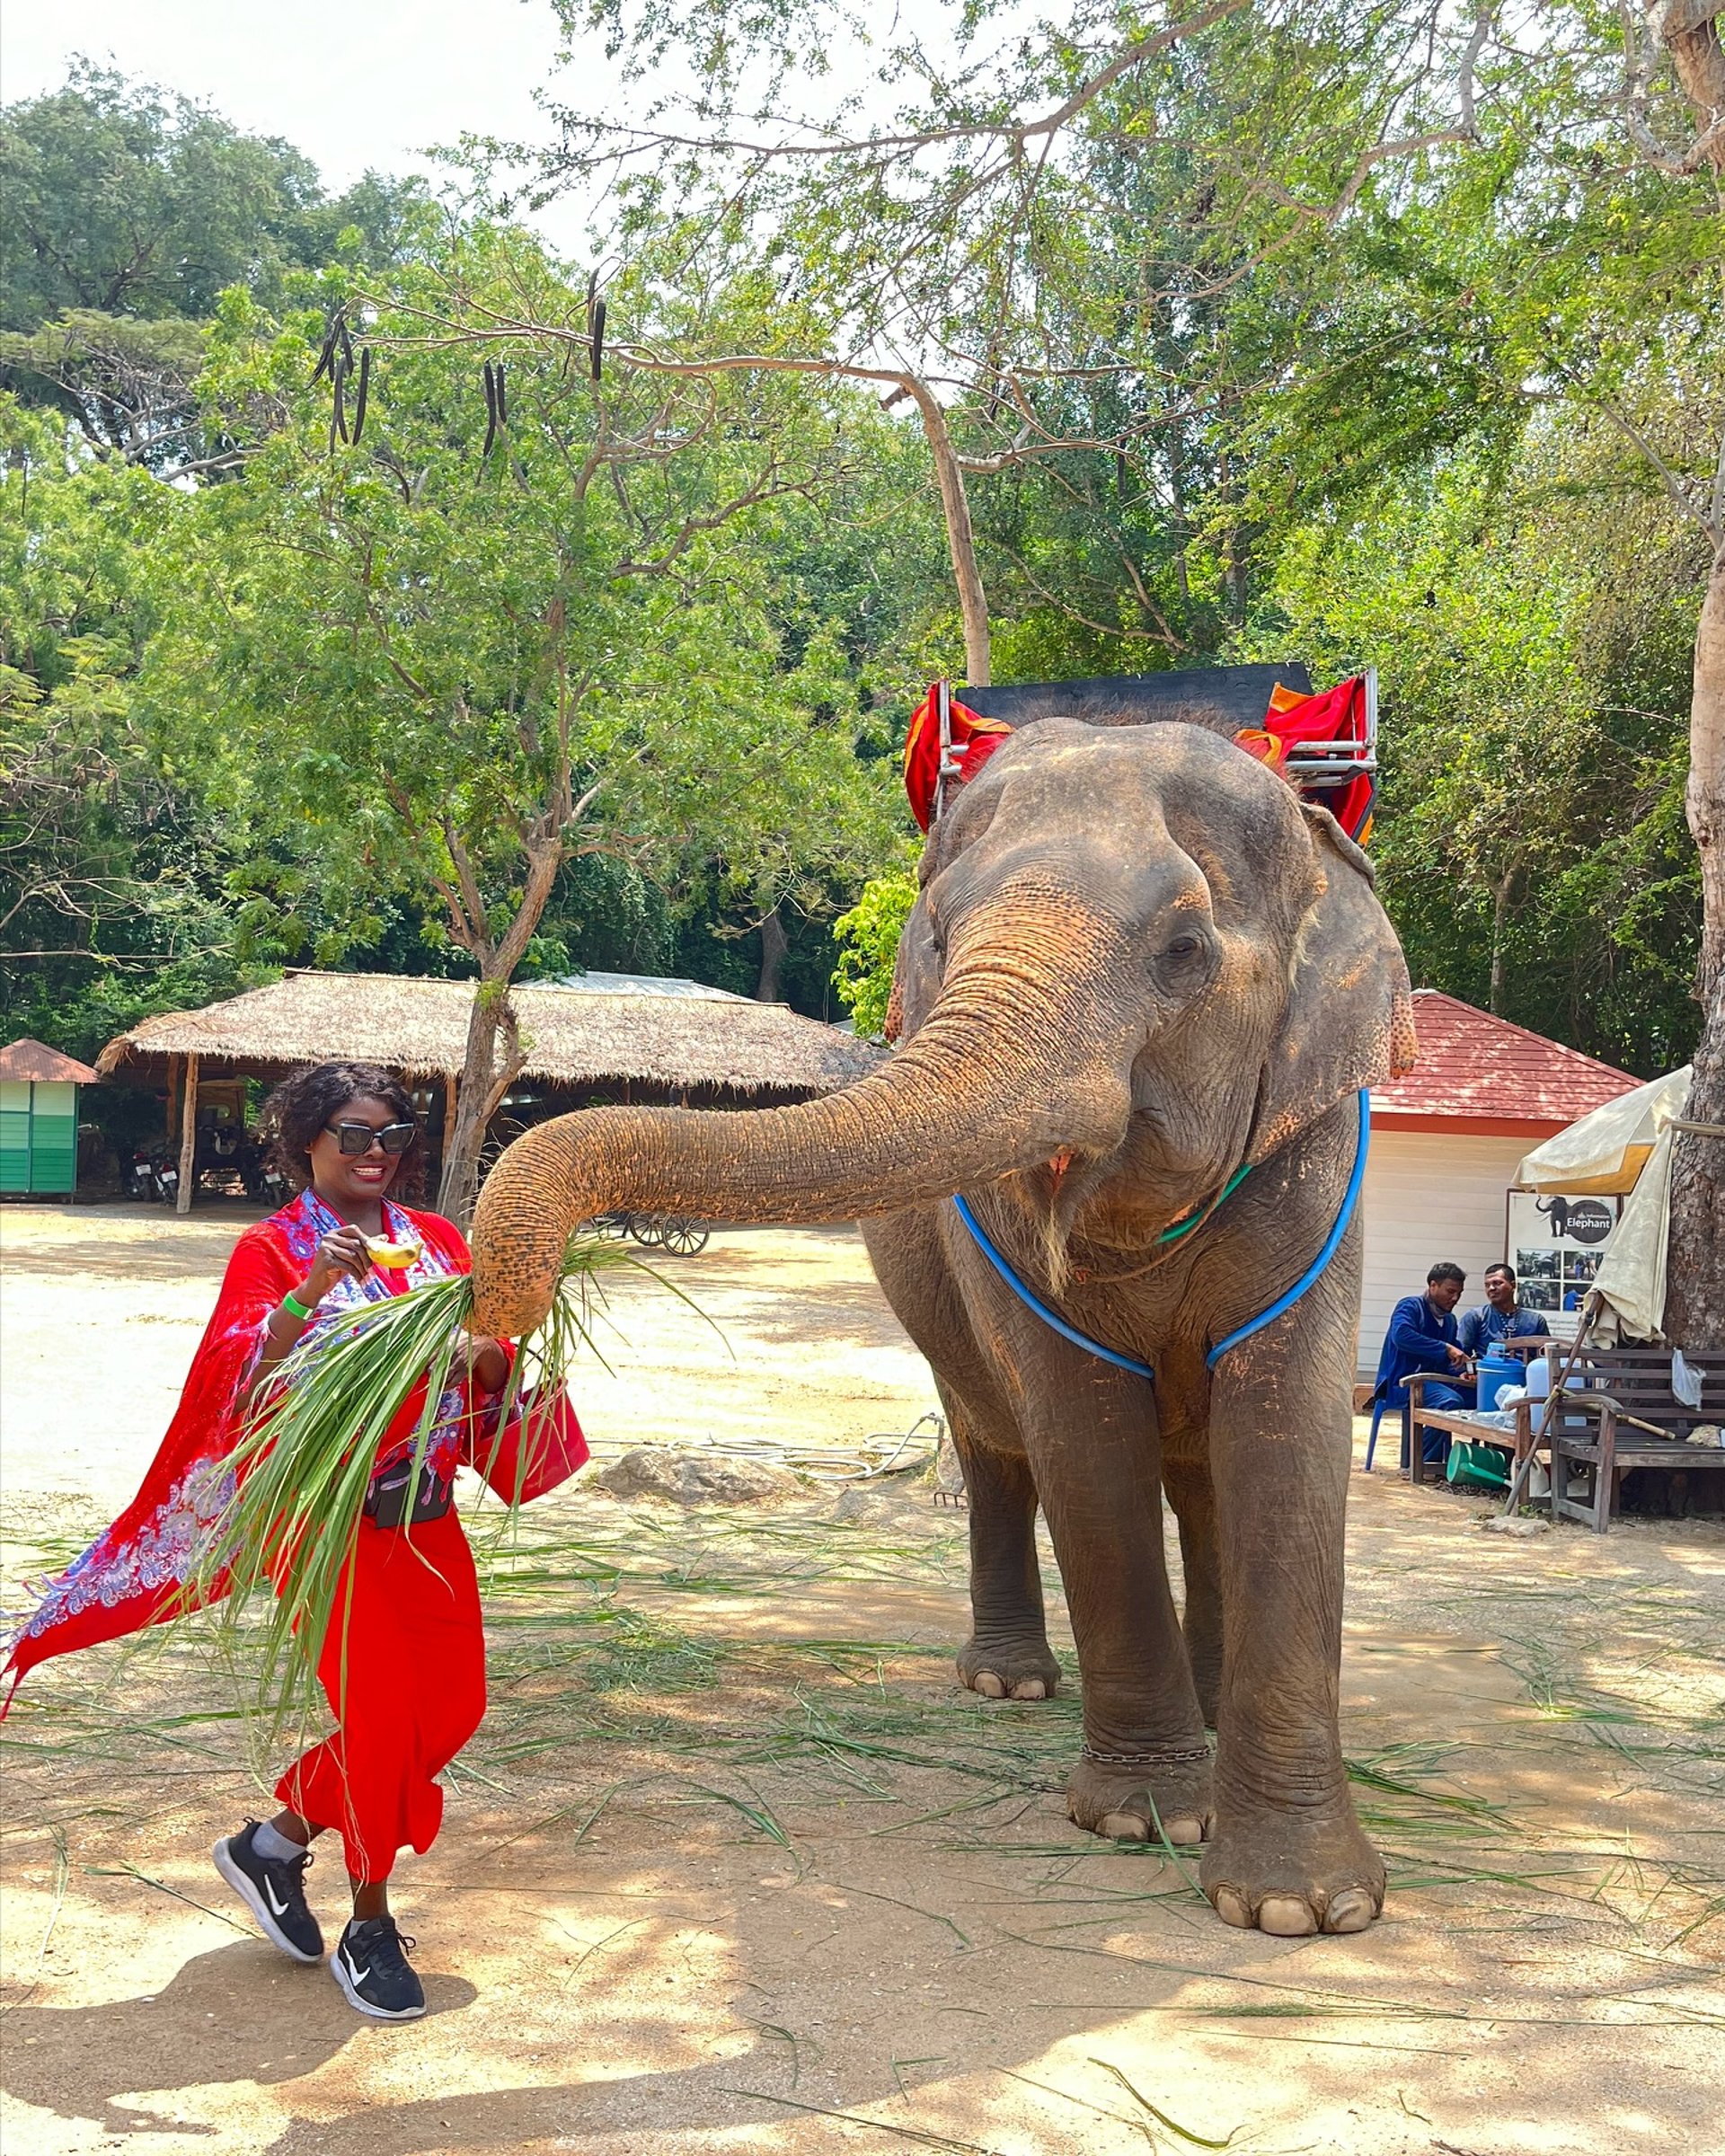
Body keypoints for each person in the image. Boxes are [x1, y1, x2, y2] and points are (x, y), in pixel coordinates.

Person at [3, 1061, 584, 2021]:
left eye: (391, 1137)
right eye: (352, 1136)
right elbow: (238, 1383)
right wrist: (313, 1291)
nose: (373, 1155)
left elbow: (482, 1373)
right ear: (308, 1141)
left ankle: (271, 1846)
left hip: (426, 1520)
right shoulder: (274, 1248)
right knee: (389, 1718)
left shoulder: (435, 1244)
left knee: (454, 1710)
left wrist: (488, 1357)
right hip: (328, 1530)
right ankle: (369, 1922)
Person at [1373, 1262, 1473, 1469]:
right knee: (1450, 1402)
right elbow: (1401, 1336)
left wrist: (1463, 1371)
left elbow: (1452, 1359)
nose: (1455, 1298)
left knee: (1478, 1396)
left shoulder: (1450, 1321)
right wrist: (1445, 1348)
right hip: (1402, 1383)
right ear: (1433, 1285)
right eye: (1450, 1291)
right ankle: (1419, 1463)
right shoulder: (1410, 1307)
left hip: (1433, 1382)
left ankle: (1494, 1464)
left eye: (1459, 1293)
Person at [1457, 1263, 1551, 1357]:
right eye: (1487, 1285)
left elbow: (1547, 1356)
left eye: (1497, 1283)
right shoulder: (1476, 1317)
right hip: (1488, 1370)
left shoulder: (1535, 1321)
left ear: (1513, 1286)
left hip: (1525, 1371)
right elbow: (1461, 1353)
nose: (1491, 1288)